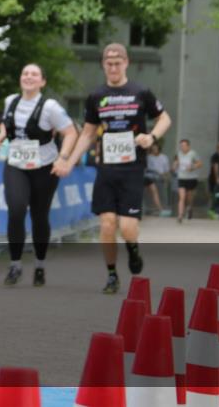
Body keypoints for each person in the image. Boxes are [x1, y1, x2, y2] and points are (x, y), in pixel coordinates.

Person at [64, 43, 171, 294]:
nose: (113, 67)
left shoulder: (141, 91)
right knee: (108, 224)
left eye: (117, 62)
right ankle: (112, 274)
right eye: (108, 63)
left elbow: (164, 118)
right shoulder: (96, 96)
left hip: (133, 168)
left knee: (128, 227)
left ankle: (133, 251)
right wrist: (69, 160)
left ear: (126, 63)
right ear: (103, 65)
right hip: (107, 168)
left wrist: (151, 137)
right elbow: (88, 133)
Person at [0, 63, 77, 287]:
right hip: (16, 164)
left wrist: (63, 157)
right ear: (20, 78)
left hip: (44, 166)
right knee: (17, 209)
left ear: (42, 82)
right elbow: (7, 123)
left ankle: (39, 265)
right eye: (25, 73)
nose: (29, 77)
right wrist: (2, 135)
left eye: (34, 74)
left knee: (40, 216)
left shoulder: (51, 107)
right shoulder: (11, 100)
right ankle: (15, 265)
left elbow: (70, 132)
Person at [173, 139, 203, 223]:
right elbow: (175, 163)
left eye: (184, 145)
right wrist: (175, 165)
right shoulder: (178, 154)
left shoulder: (193, 154)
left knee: (189, 196)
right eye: (181, 146)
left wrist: (192, 167)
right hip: (181, 177)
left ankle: (189, 207)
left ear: (188, 146)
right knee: (182, 197)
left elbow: (200, 163)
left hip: (191, 178)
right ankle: (180, 215)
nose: (182, 147)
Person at [143, 144, 169, 215]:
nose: (154, 150)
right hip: (149, 178)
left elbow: (166, 170)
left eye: (156, 149)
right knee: (151, 193)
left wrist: (165, 177)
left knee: (159, 193)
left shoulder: (164, 157)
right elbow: (146, 169)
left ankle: (161, 209)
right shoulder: (148, 157)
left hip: (160, 178)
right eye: (153, 149)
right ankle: (155, 208)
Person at [207, 141, 219, 219]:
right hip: (215, 179)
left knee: (217, 195)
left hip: (216, 178)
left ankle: (214, 211)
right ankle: (213, 212)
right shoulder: (216, 156)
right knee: (216, 195)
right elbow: (215, 167)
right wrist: (218, 177)